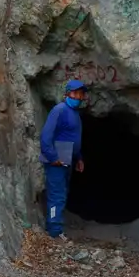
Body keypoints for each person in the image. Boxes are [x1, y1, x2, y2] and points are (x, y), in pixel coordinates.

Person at [39, 80, 87, 240]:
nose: (78, 97)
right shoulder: (59, 110)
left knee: (62, 193)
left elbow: (75, 139)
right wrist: (54, 158)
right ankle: (54, 232)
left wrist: (78, 157)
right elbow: (46, 136)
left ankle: (55, 225)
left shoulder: (75, 114)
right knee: (56, 195)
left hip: (67, 158)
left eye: (81, 94)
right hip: (57, 160)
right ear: (67, 94)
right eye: (75, 93)